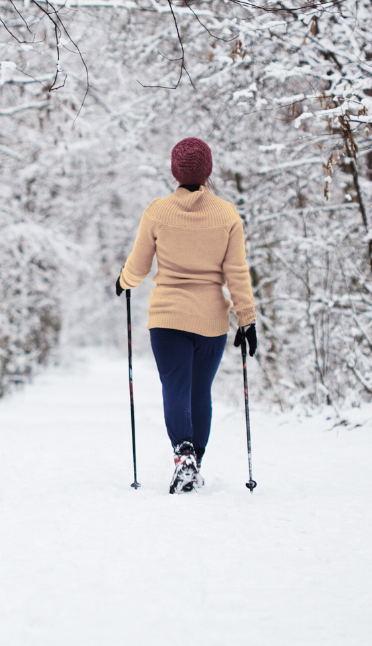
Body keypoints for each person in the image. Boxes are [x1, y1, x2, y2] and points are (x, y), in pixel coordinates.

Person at [115, 137, 257, 494]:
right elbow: (236, 271)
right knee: (200, 392)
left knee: (175, 387)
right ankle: (196, 460)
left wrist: (124, 280)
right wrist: (246, 318)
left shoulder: (158, 212)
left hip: (167, 319)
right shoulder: (227, 215)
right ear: (208, 171)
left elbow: (139, 265)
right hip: (210, 321)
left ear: (174, 171)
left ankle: (184, 455)